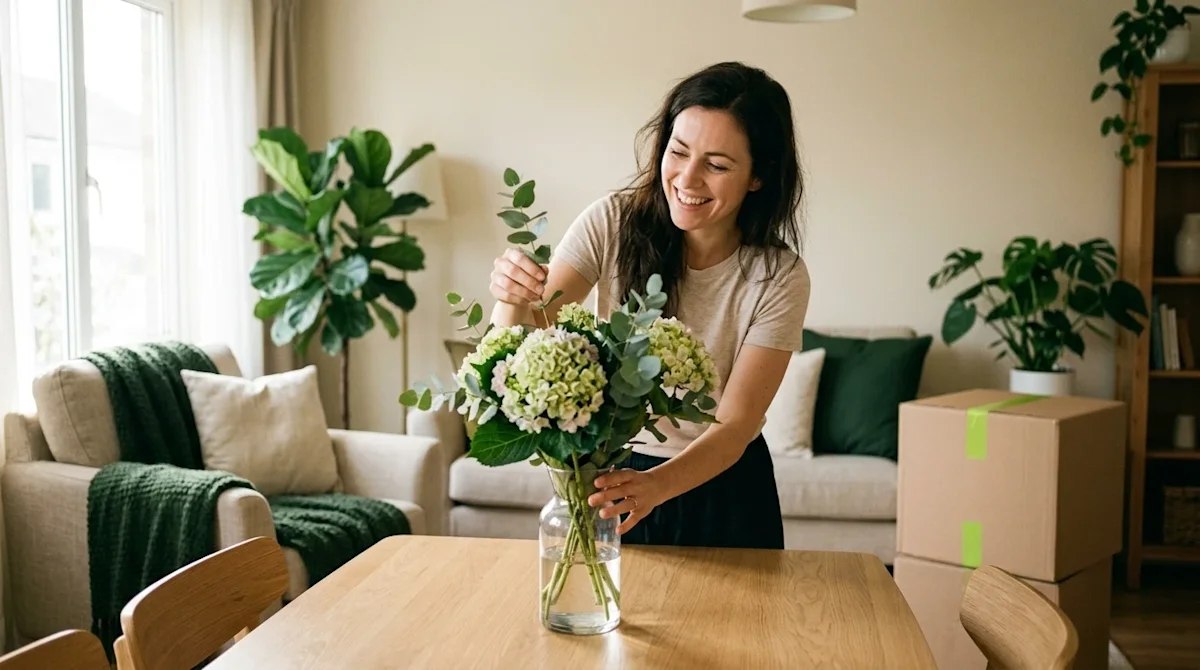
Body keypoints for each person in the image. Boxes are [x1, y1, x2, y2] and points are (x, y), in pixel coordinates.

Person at [488, 61, 811, 551]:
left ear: (758, 177)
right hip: (615, 477)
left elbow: (736, 424)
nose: (687, 178)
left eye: (717, 165)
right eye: (677, 152)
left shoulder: (778, 276)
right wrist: (510, 299)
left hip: (725, 486)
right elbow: (524, 340)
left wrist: (657, 486)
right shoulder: (611, 223)